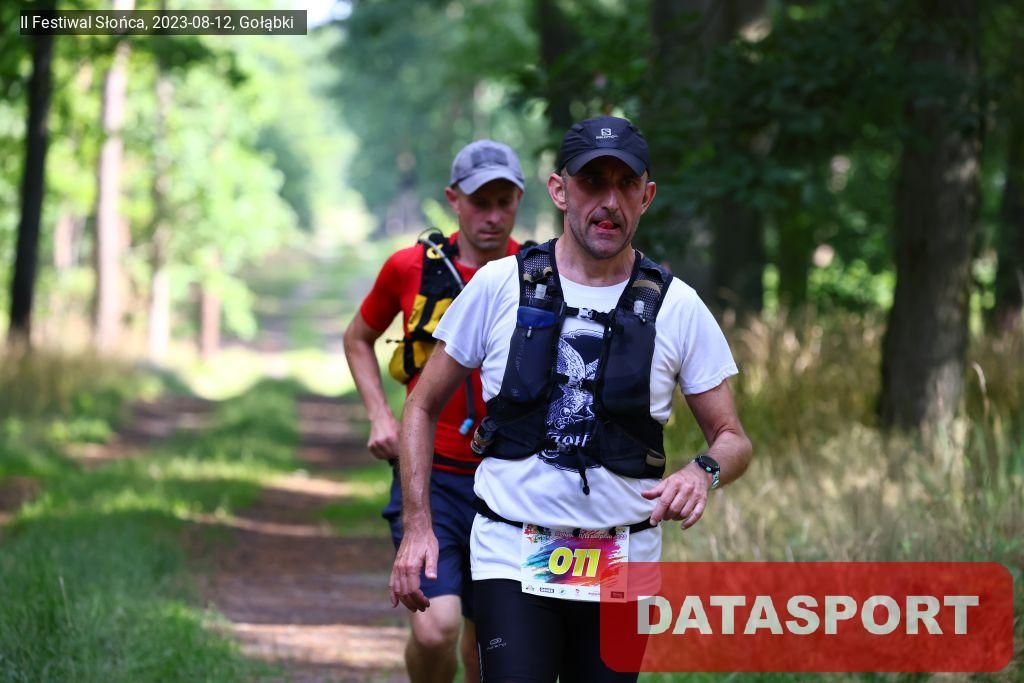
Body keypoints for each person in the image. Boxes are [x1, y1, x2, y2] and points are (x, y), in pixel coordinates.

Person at [389, 115, 753, 682]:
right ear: (560, 190)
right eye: (592, 182)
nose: (610, 202)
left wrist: (701, 472)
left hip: (621, 558)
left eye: (626, 185)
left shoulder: (677, 306)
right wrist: (418, 525)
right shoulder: (500, 285)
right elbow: (421, 404)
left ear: (647, 197)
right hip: (513, 549)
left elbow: (732, 439)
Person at [343, 140, 527, 683]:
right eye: (479, 203)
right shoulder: (409, 267)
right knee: (435, 629)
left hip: (510, 479)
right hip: (433, 476)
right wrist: (380, 415)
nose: (492, 216)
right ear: (453, 199)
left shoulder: (540, 271)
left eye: (504, 202)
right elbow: (358, 338)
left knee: (487, 643)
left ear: (519, 200)